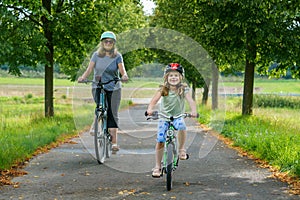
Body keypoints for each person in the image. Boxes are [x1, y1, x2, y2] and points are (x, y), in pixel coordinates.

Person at [78, 31, 128, 152]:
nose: (108, 43)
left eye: (110, 41)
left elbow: (122, 70)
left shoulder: (117, 56)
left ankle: (114, 141)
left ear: (114, 43)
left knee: (112, 113)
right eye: (106, 41)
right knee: (100, 106)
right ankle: (96, 124)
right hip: (98, 85)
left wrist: (124, 76)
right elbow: (89, 69)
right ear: (102, 43)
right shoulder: (96, 55)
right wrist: (83, 77)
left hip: (114, 87)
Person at [146, 63, 197, 178]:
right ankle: (157, 166)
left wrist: (193, 111)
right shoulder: (163, 89)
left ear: (180, 78)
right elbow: (154, 101)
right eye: (171, 76)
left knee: (182, 126)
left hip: (178, 116)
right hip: (164, 117)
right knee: (160, 140)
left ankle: (181, 149)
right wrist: (150, 109)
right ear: (166, 78)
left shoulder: (183, 89)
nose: (173, 78)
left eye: (176, 75)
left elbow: (191, 101)